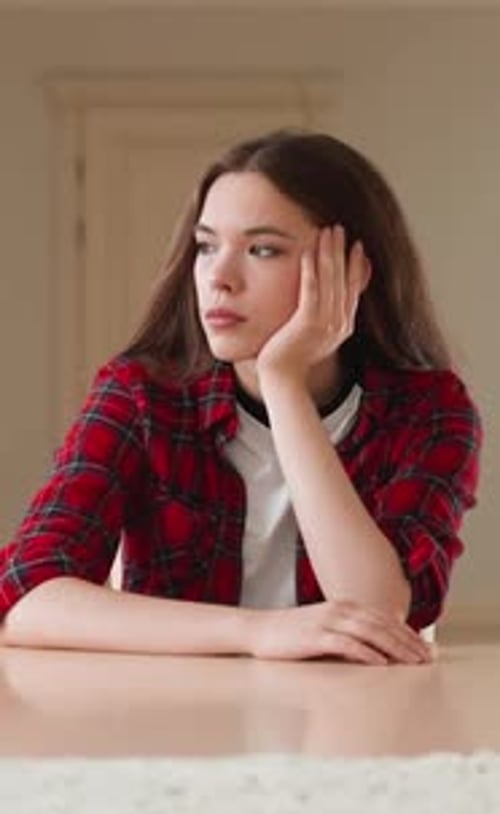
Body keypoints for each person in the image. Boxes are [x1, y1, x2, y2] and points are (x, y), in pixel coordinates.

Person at [0, 129, 481, 665]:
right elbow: (25, 596)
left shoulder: (430, 410)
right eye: (206, 246)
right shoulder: (140, 395)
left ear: (353, 271)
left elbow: (377, 616)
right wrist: (259, 633)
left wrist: (283, 383)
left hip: (351, 724)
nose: (219, 278)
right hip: (178, 724)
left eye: (262, 249)